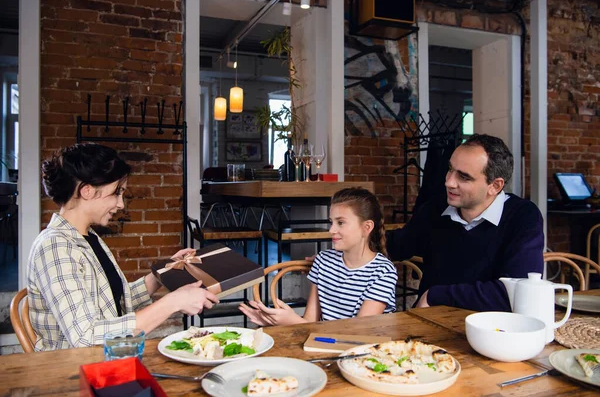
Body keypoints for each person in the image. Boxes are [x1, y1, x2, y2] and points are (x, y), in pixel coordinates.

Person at [28, 143, 219, 351]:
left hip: (107, 361)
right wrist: (172, 302)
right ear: (87, 191)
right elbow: (86, 336)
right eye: (116, 192)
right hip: (73, 372)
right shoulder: (55, 247)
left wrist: (161, 274)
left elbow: (113, 302)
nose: (120, 204)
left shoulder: (87, 237)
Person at [387, 134, 544, 312]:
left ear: (495, 186)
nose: (448, 182)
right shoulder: (435, 208)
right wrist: (357, 233)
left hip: (493, 330)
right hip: (430, 322)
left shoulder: (523, 216)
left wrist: (435, 295)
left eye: (464, 177)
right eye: (450, 169)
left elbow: (517, 292)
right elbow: (397, 245)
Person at [239, 187, 398, 326]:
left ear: (367, 227)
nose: (331, 230)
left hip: (365, 353)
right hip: (324, 343)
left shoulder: (383, 272)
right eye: (331, 222)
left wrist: (292, 322)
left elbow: (359, 333)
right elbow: (310, 322)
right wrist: (275, 323)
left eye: (340, 223)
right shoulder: (323, 261)